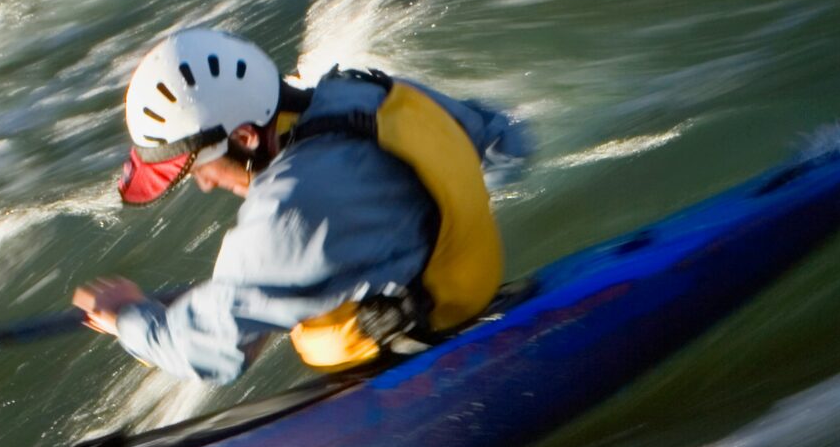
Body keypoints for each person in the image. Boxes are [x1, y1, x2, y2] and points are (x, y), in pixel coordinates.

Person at [74, 27, 526, 385]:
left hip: (421, 357)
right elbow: (501, 137)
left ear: (246, 137)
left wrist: (128, 317)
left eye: (197, 168)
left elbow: (208, 353)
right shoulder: (367, 95)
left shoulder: (287, 211)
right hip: (474, 298)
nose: (206, 185)